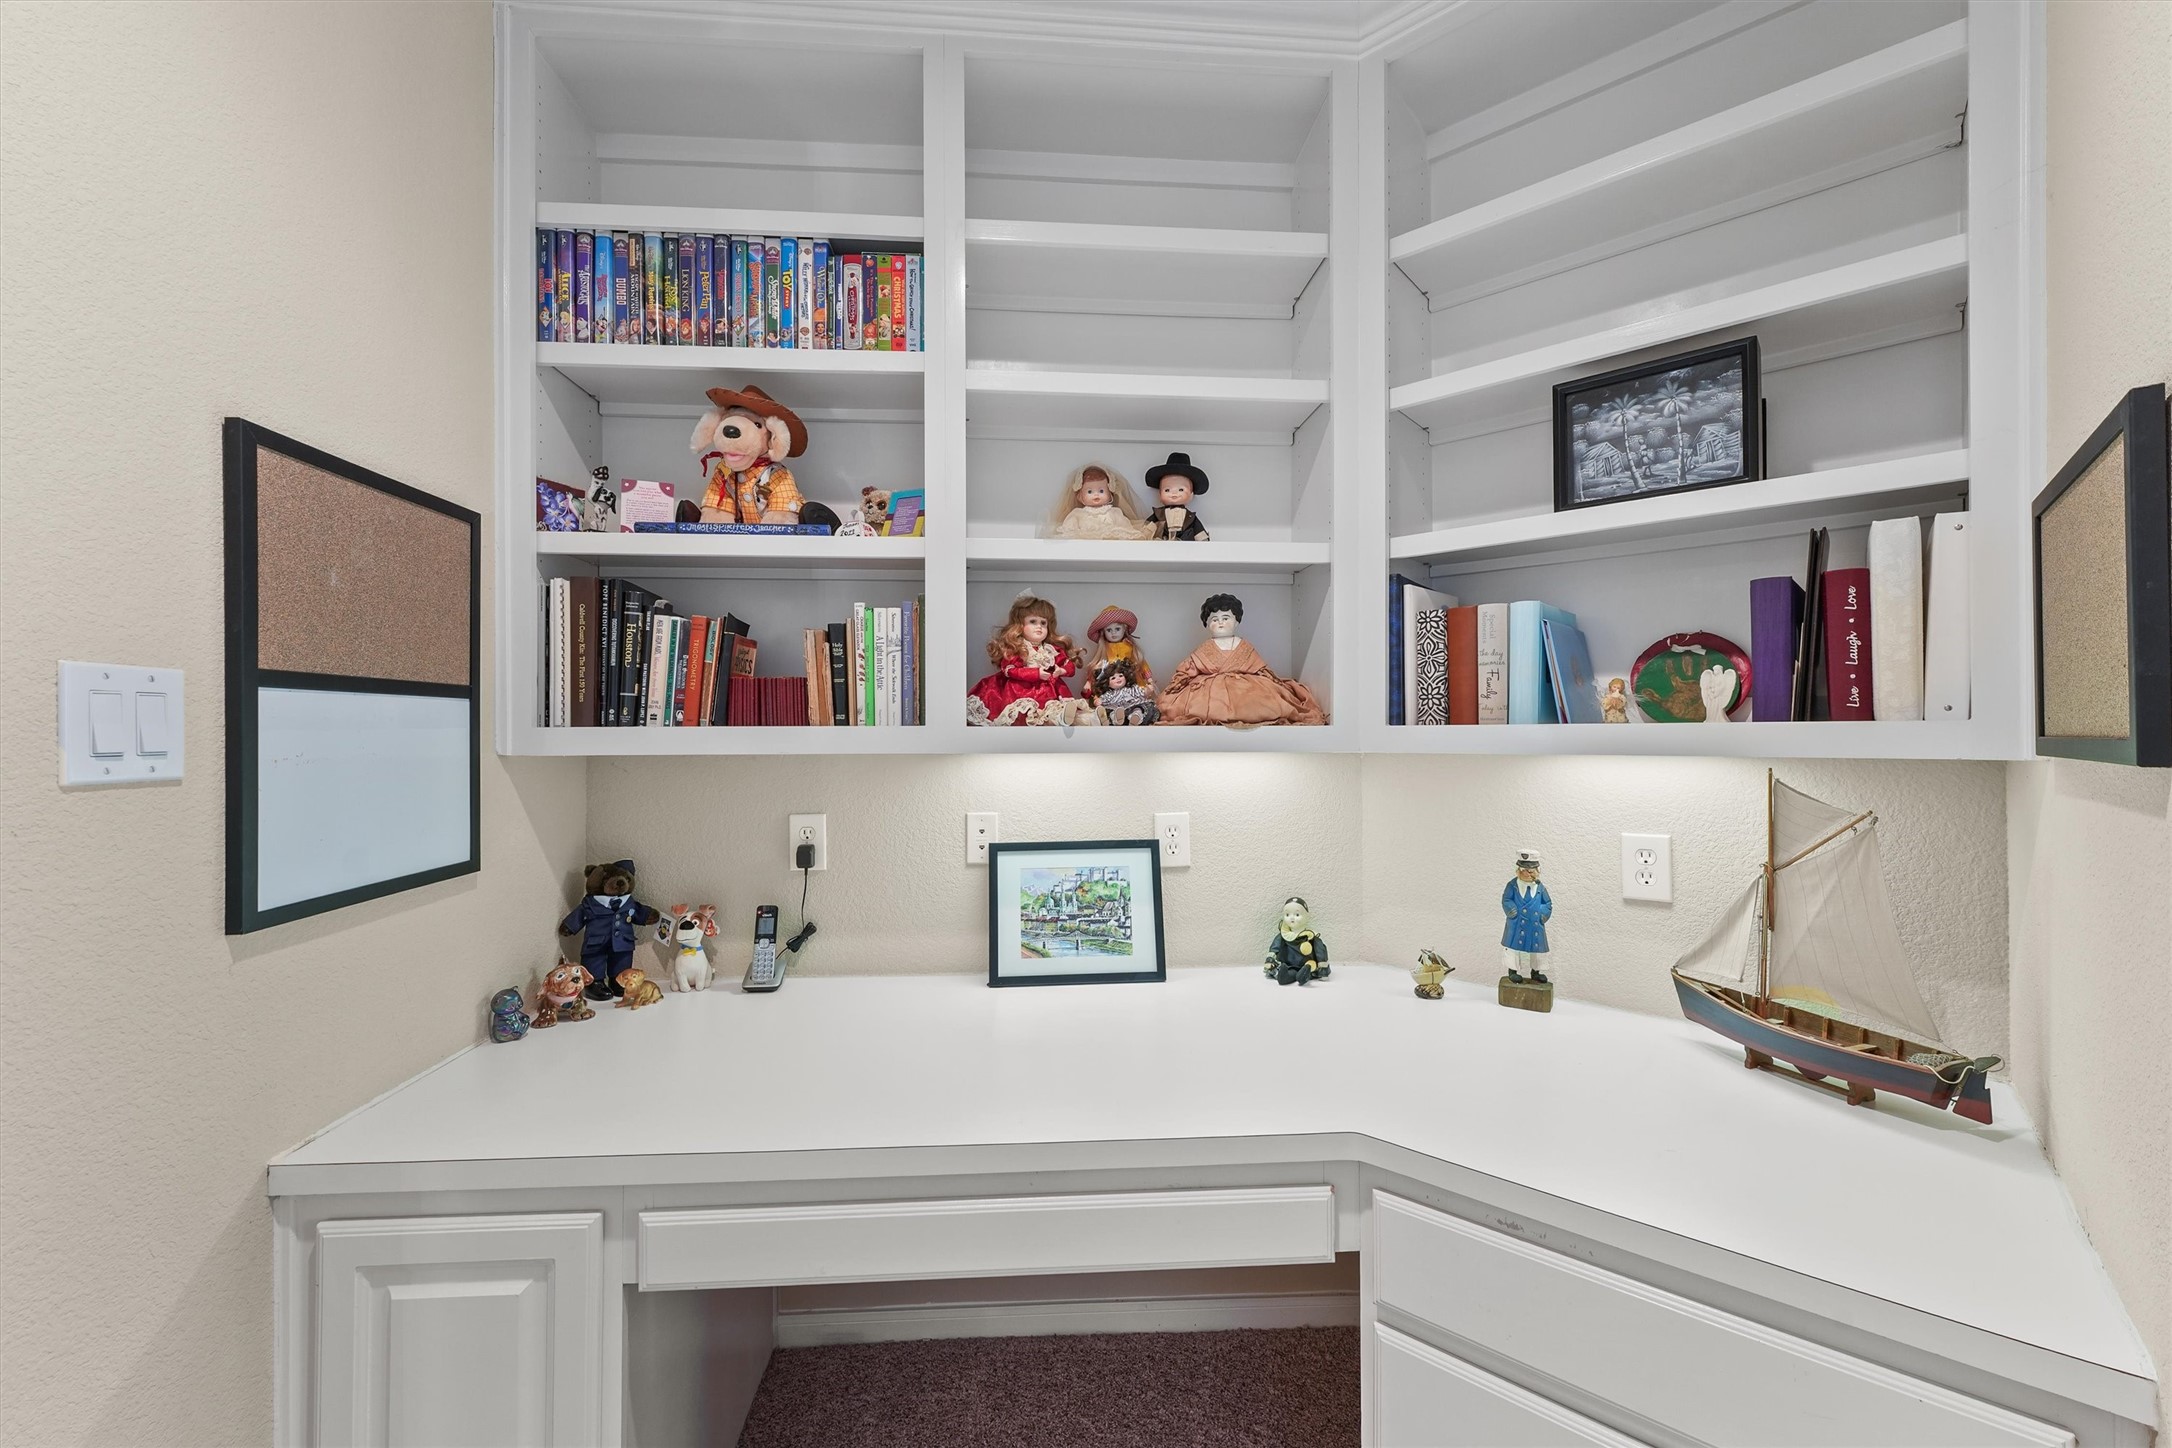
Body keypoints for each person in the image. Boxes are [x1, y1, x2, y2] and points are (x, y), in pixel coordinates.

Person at [1157, 594, 1327, 726]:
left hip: (1246, 690)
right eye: (1214, 620)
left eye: (1226, 618)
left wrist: (1274, 683)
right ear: (1208, 624)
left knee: (1264, 704)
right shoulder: (1205, 648)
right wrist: (1177, 685)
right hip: (1211, 694)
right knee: (1193, 708)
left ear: (1236, 621)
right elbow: (1189, 668)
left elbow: (1259, 667)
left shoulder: (1243, 645)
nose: (1220, 623)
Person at [1500, 850, 1552, 985]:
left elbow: (1547, 903)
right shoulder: (1512, 885)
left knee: (1537, 950)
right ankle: (1513, 971)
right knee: (1513, 949)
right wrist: (1512, 911)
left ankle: (1536, 972)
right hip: (1517, 923)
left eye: (1532, 870)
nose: (1529, 873)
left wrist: (1543, 914)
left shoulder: (1540, 887)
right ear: (1519, 870)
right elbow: (1506, 899)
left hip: (1535, 924)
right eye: (1526, 870)